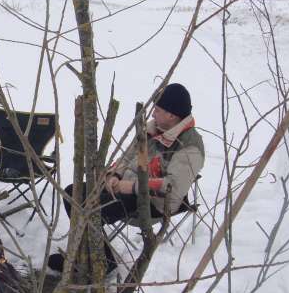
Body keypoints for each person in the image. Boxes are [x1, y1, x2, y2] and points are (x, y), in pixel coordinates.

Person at [48, 83, 205, 272]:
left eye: (157, 109)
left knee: (90, 209)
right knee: (73, 193)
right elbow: (126, 157)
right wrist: (115, 175)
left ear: (172, 115)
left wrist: (128, 187)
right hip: (124, 188)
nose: (153, 114)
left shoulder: (190, 146)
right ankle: (94, 256)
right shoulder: (151, 129)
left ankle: (98, 264)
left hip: (151, 203)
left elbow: (172, 188)